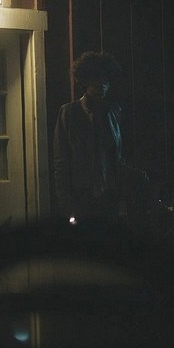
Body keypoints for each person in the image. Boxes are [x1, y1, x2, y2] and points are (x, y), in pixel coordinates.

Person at [53, 51, 145, 224]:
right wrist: (65, 203)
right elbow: (61, 160)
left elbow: (116, 155)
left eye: (106, 80)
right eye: (96, 79)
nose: (102, 84)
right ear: (85, 80)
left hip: (109, 195)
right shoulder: (69, 113)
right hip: (81, 195)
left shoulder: (113, 112)